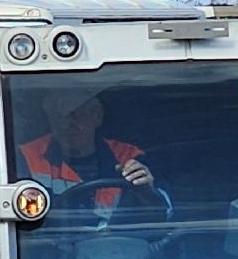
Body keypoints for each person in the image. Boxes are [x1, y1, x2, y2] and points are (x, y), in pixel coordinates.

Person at [19, 89, 153, 208]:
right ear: (50, 119)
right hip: (53, 236)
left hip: (120, 235)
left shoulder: (128, 156)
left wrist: (147, 190)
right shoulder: (26, 157)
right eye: (60, 117)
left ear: (97, 117)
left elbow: (165, 214)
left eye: (79, 115)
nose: (70, 124)